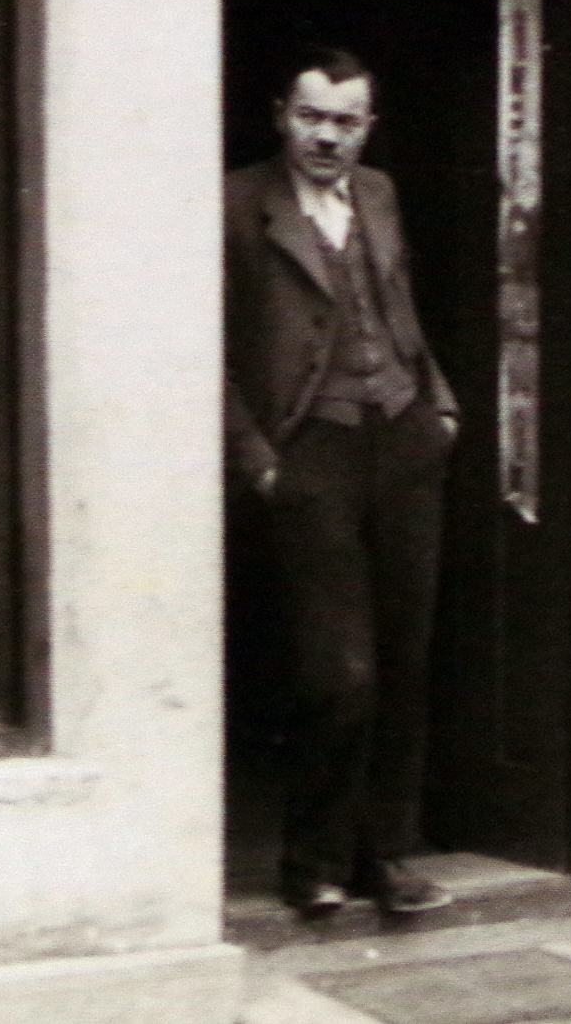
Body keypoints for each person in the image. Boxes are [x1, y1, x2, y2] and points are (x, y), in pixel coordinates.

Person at [224, 45, 460, 919]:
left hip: (402, 437)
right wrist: (258, 457)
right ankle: (312, 860)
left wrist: (438, 408)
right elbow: (205, 348)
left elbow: (400, 311)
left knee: (402, 656)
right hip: (310, 448)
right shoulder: (236, 201)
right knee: (339, 670)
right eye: (312, 117)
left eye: (346, 121)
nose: (327, 137)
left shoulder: (380, 194)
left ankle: (383, 856)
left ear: (367, 127)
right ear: (281, 115)